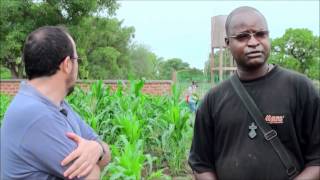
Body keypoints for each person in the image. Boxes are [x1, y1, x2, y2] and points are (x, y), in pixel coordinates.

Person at [188, 6, 319, 180]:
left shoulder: (300, 89)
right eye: (243, 36)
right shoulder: (213, 100)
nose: (253, 42)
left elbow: (317, 159)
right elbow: (201, 164)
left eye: (260, 34)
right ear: (227, 43)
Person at [1, 26, 111, 179]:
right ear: (67, 64)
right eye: (76, 60)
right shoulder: (34, 114)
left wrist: (97, 148)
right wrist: (96, 158)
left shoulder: (59, 105)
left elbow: (105, 151)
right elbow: (90, 175)